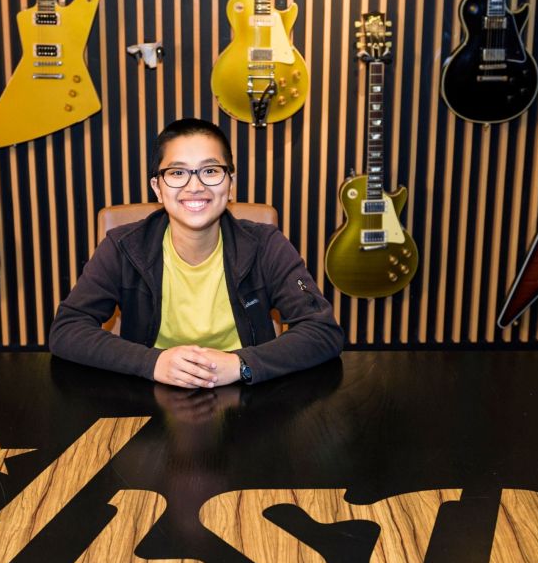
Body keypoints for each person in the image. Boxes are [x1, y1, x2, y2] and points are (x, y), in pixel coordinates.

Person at [50, 119, 344, 387]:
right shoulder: (124, 247)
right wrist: (152, 362)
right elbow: (67, 329)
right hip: (149, 396)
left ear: (230, 184)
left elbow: (322, 332)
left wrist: (241, 364)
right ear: (158, 187)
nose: (195, 186)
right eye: (177, 172)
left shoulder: (266, 245)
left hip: (248, 399)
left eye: (210, 171)